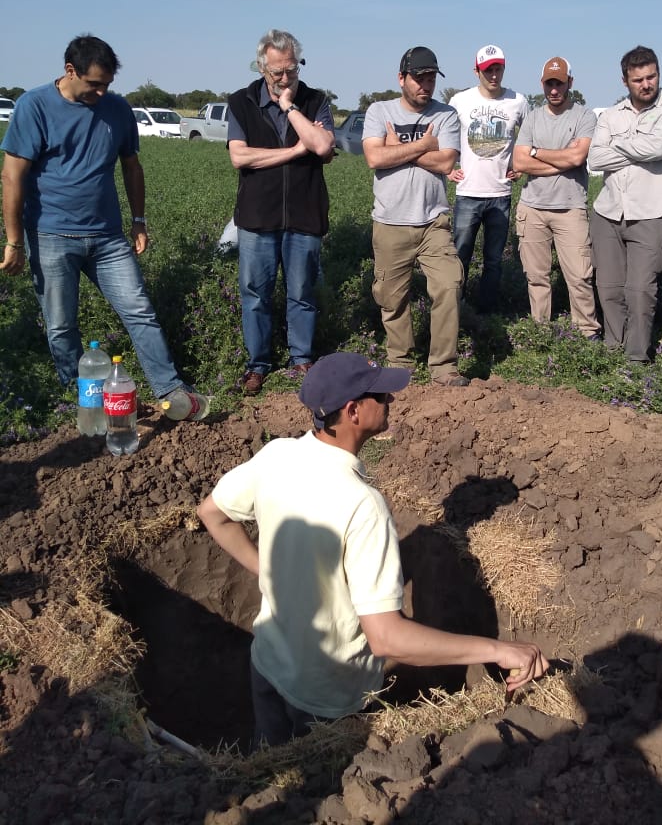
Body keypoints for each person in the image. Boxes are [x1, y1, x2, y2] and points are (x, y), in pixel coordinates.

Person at [197, 352, 549, 746]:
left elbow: (212, 514)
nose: (390, 401)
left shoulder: (278, 454)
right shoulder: (362, 505)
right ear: (353, 411)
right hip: (325, 697)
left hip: (266, 664)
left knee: (272, 770)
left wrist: (267, 572)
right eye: (380, 395)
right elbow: (386, 639)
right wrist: (497, 650)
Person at [0, 34, 206, 418]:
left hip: (108, 237)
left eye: (107, 85)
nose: (101, 92)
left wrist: (139, 221)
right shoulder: (34, 106)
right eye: (94, 84)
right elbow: (12, 176)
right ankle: (83, 401)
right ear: (69, 70)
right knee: (61, 326)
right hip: (50, 235)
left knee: (139, 310)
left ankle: (170, 388)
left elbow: (131, 166)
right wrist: (13, 240)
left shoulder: (116, 110)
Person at [227, 30, 335, 394]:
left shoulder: (315, 100)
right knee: (255, 292)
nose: (285, 79)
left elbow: (322, 147)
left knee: (301, 290)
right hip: (258, 216)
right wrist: (292, 152)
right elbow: (239, 156)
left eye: (291, 70)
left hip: (305, 211)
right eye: (277, 73)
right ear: (262, 68)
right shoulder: (241, 102)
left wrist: (290, 107)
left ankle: (301, 358)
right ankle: (257, 364)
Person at [362, 46, 467, 387]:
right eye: (419, 78)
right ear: (401, 78)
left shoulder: (447, 114)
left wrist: (399, 150)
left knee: (449, 284)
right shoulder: (379, 111)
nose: (426, 85)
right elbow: (374, 159)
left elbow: (446, 163)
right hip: (391, 221)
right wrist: (425, 146)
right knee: (391, 298)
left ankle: (444, 367)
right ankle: (400, 363)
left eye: (431, 78)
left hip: (433, 222)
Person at [588, 46, 662, 362]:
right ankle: (612, 349)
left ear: (658, 73)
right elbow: (595, 157)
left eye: (652, 76)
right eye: (638, 80)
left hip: (651, 212)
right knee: (609, 288)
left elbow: (659, 147)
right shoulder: (610, 115)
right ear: (625, 81)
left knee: (640, 291)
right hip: (608, 211)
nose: (647, 84)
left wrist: (616, 145)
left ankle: (636, 360)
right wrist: (637, 148)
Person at [512, 57, 600, 337]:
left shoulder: (585, 116)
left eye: (559, 83)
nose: (554, 89)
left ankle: (587, 333)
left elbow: (577, 156)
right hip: (532, 208)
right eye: (549, 83)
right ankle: (541, 332)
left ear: (569, 83)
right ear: (542, 84)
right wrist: (559, 160)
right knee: (536, 277)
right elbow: (520, 163)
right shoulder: (533, 118)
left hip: (570, 208)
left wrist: (536, 151)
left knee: (579, 276)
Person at [447, 45, 527, 312]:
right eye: (488, 69)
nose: (494, 74)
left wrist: (520, 165)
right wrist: (447, 168)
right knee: (460, 256)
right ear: (476, 71)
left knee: (493, 261)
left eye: (498, 68)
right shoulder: (460, 101)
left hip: (500, 194)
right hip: (468, 192)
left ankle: (486, 313)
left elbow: (528, 137)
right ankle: (456, 310)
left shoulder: (518, 101)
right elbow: (444, 136)